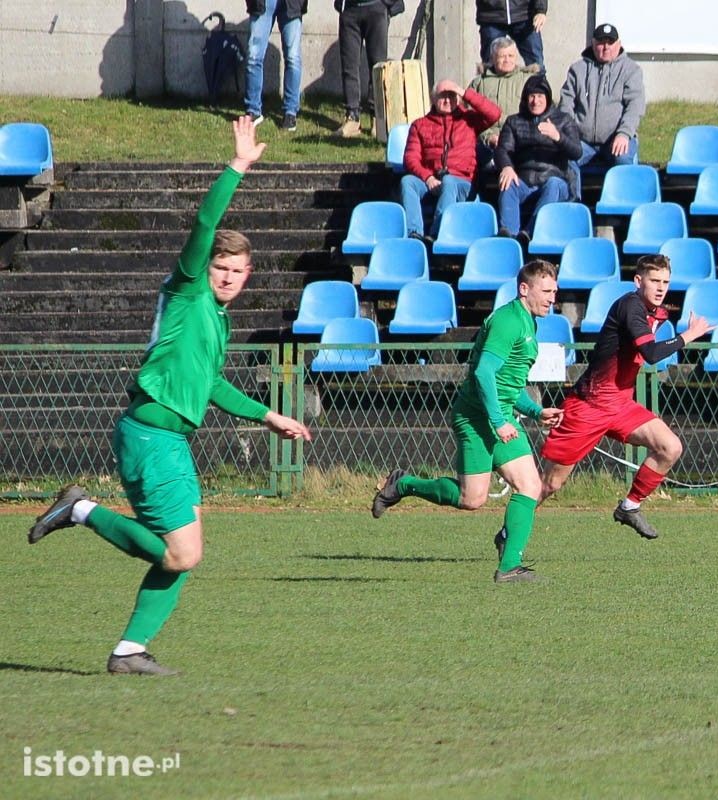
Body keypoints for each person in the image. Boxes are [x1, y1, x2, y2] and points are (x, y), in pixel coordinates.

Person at [27, 117, 313, 676]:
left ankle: (130, 650)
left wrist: (268, 415)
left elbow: (209, 385)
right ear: (205, 269)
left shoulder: (219, 319)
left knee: (184, 554)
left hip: (173, 441)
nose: (227, 277)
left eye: (237, 270)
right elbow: (206, 223)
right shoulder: (187, 292)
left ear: (249, 274)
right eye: (220, 268)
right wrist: (238, 166)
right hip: (152, 436)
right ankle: (80, 509)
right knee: (183, 552)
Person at [371, 260, 564, 583]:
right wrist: (498, 421)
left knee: (531, 486)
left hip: (497, 416)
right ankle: (403, 484)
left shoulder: (529, 321)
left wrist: (534, 411)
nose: (552, 298)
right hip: (477, 417)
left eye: (555, 291)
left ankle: (509, 566)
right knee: (471, 499)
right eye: (546, 291)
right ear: (524, 289)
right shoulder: (508, 322)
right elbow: (483, 373)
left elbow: (506, 385)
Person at [531, 254, 714, 542]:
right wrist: (687, 336)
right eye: (654, 280)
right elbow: (652, 354)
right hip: (588, 406)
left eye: (666, 282)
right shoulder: (630, 306)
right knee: (551, 484)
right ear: (638, 281)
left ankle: (629, 507)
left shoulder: (655, 311)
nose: (661, 287)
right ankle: (509, 531)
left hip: (619, 405)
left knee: (670, 447)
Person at [399, 79, 501, 242]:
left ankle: (436, 233)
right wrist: (428, 177)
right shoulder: (419, 125)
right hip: (432, 182)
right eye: (442, 96)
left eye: (451, 96)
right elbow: (410, 158)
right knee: (407, 181)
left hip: (462, 183)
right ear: (433, 99)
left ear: (458, 98)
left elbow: (494, 113)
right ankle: (414, 234)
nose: (447, 100)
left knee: (449, 180)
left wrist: (463, 92)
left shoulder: (469, 120)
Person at [559, 23, 645, 195]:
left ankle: (623, 210)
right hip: (583, 142)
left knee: (623, 159)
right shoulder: (577, 69)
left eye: (610, 42)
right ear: (592, 43)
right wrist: (569, 133)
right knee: (564, 157)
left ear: (618, 44)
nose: (605, 47)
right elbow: (565, 104)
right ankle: (573, 207)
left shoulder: (631, 70)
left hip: (616, 139)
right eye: (600, 42)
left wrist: (624, 133)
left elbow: (635, 106)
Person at [495, 74, 581, 244]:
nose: (535, 101)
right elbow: (502, 150)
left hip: (555, 183)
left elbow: (577, 152)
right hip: (525, 182)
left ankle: (529, 232)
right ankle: (509, 237)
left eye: (540, 96)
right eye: (532, 96)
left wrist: (558, 137)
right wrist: (506, 166)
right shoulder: (514, 121)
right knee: (508, 182)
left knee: (554, 184)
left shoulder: (563, 120)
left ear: (547, 98)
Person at [467, 36, 541, 170]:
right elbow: (469, 116)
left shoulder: (529, 80)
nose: (507, 60)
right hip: (487, 143)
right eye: (502, 56)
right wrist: (488, 137)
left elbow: (542, 113)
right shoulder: (479, 83)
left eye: (511, 56)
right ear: (493, 58)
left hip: (520, 142)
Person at [244, 0, 307, 132]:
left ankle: (290, 112)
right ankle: (253, 110)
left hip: (292, 4)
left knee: (293, 57)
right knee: (253, 57)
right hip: (262, 3)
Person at [334, 0, 391, 138]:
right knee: (349, 66)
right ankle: (352, 117)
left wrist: (386, 5)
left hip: (376, 8)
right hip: (350, 10)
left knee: (377, 67)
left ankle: (377, 118)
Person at [476, 0, 547, 75]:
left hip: (524, 15)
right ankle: (490, 86)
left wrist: (540, 10)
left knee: (537, 66)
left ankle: (539, 86)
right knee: (489, 68)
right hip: (491, 15)